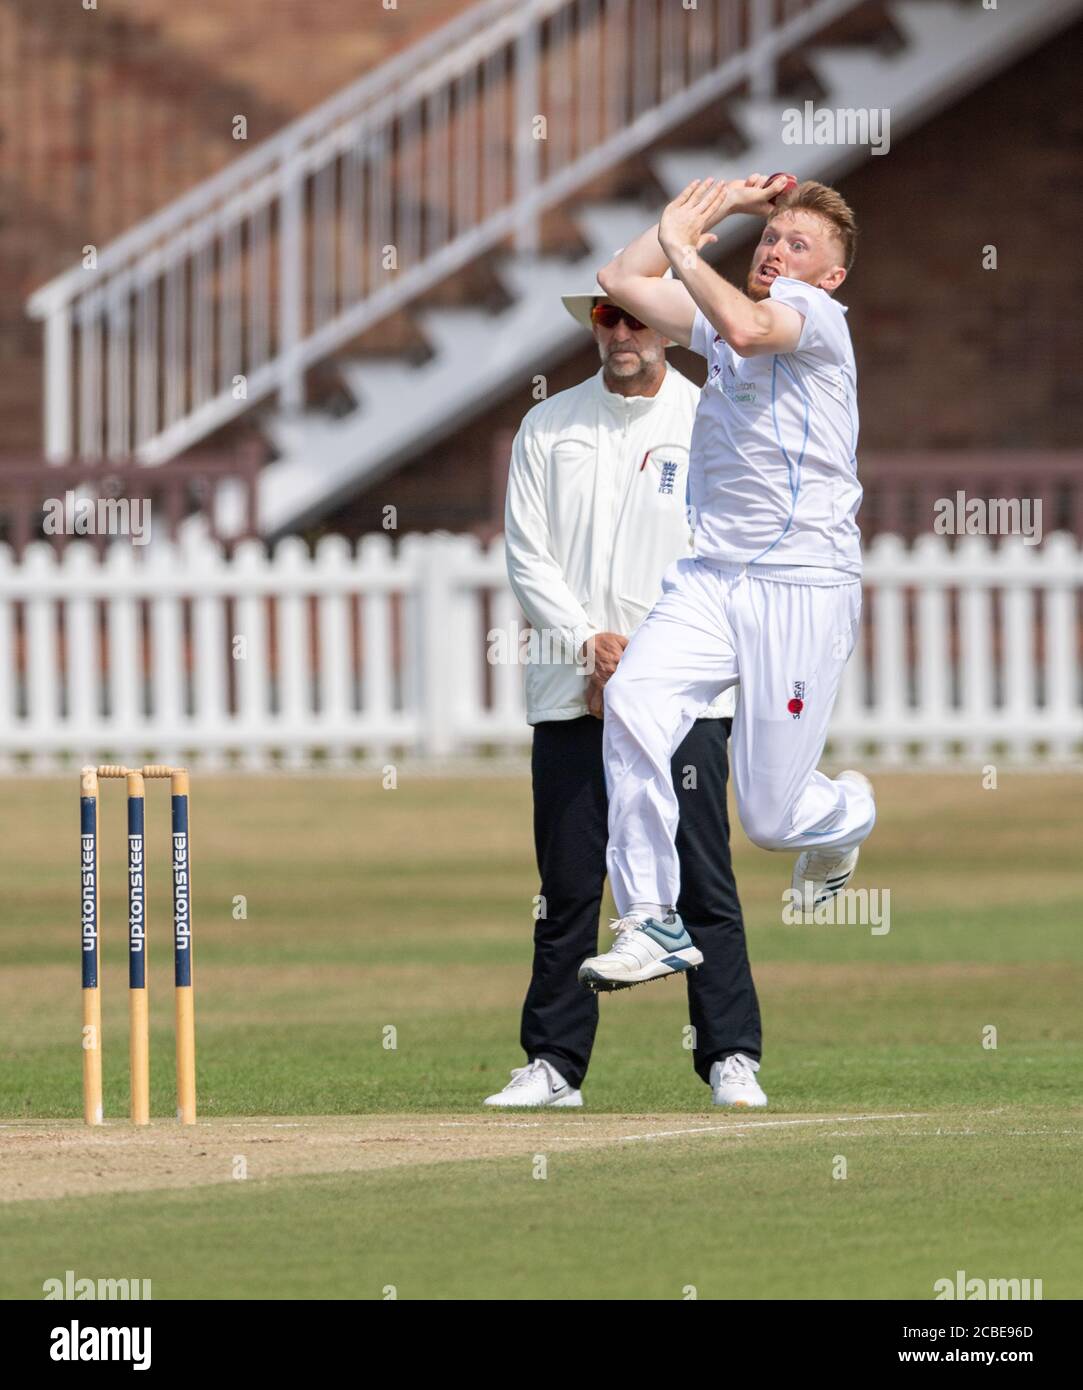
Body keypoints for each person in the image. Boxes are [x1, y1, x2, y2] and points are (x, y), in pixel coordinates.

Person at [579, 174, 876, 992]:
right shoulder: (720, 329)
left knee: (773, 820)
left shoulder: (814, 318)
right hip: (713, 577)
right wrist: (689, 218)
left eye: (798, 245)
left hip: (801, 585)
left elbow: (747, 328)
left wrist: (683, 249)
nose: (776, 251)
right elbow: (620, 282)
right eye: (770, 238)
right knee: (633, 700)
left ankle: (846, 814)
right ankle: (650, 922)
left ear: (830, 276)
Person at [485, 276, 766, 1110]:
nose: (621, 334)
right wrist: (588, 646)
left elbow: (722, 550)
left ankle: (730, 1057)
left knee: (699, 878)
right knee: (568, 883)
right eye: (608, 318)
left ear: (668, 332)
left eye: (637, 320)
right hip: (570, 686)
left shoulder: (708, 418)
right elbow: (524, 554)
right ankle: (554, 1066)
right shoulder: (549, 424)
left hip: (678, 688)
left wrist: (646, 660)